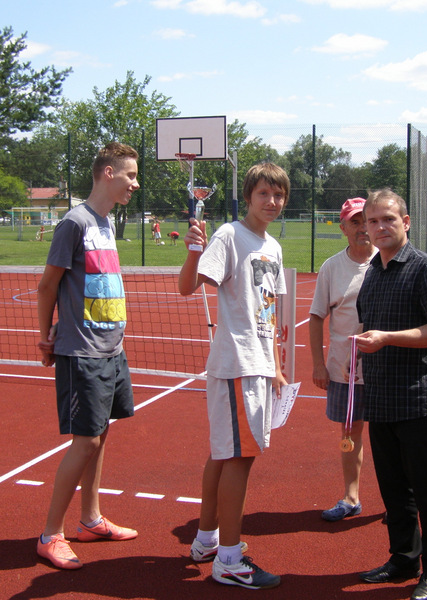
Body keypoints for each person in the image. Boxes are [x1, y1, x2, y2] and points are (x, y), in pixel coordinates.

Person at [179, 162, 289, 590]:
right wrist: (194, 250)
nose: (272, 201)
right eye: (263, 193)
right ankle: (229, 559)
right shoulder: (229, 235)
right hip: (237, 363)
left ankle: (206, 540)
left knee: (224, 454)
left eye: (278, 195)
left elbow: (270, 311)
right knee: (239, 457)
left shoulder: (273, 247)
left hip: (260, 363)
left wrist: (276, 367)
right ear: (248, 197)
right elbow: (188, 286)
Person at [35, 142, 140, 570]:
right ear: (108, 173)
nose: (135, 184)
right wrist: (45, 336)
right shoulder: (74, 223)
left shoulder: (106, 221)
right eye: (130, 175)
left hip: (112, 348)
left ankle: (90, 520)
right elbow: (48, 285)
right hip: (83, 352)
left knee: (101, 435)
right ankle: (50, 535)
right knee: (86, 442)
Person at [354, 189, 427, 600]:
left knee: (426, 488)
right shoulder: (373, 272)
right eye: (373, 221)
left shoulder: (426, 268)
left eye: (388, 219)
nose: (380, 227)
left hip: (416, 397)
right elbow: (370, 329)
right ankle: (403, 559)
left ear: (406, 222)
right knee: (394, 489)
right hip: (380, 398)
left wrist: (387, 338)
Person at [309, 198, 377, 521]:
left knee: (394, 436)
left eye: (367, 221)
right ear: (343, 227)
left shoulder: (388, 261)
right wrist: (318, 364)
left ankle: (401, 501)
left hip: (386, 368)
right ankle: (351, 497)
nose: (363, 228)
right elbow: (316, 317)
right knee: (350, 434)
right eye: (355, 222)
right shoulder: (331, 268)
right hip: (344, 370)